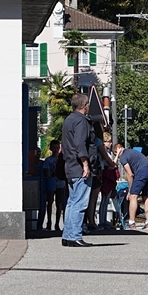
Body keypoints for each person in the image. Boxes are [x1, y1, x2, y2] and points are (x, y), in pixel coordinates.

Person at [60, 93, 95, 248]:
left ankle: (67, 235)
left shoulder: (69, 120)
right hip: (79, 167)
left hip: (70, 166)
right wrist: (85, 164)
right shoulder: (81, 121)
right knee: (79, 203)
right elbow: (80, 144)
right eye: (88, 104)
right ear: (84, 105)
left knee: (71, 202)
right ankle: (75, 236)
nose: (89, 107)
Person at [116, 144, 148, 231]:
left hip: (142, 171)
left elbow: (130, 174)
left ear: (117, 151)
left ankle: (131, 223)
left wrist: (130, 190)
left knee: (133, 196)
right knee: (146, 197)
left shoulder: (123, 157)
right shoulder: (131, 151)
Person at [40, 140, 62, 231]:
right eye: (54, 148)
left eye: (57, 148)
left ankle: (57, 223)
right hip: (51, 182)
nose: (56, 150)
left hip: (60, 182)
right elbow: (47, 172)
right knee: (50, 201)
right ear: (51, 149)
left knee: (59, 204)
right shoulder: (48, 160)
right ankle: (49, 222)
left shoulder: (62, 160)